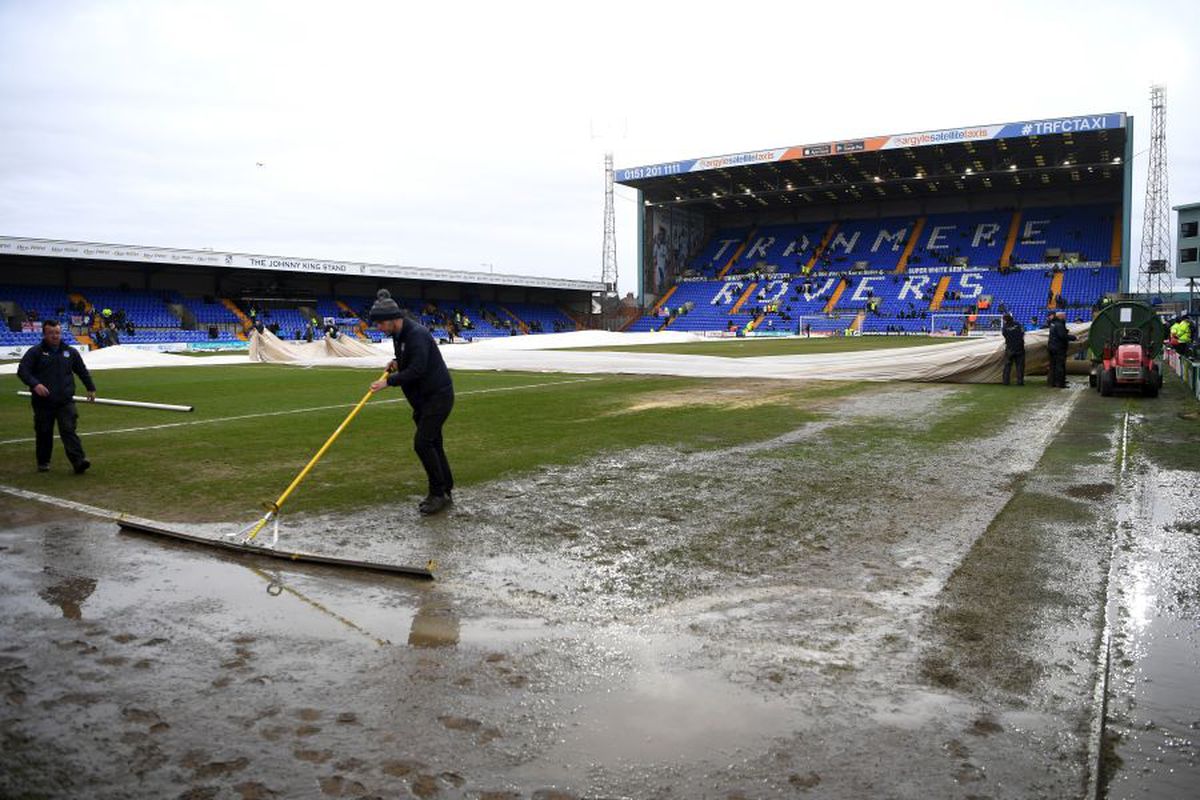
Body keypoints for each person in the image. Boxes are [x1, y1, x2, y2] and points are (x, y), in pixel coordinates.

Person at [367, 290, 455, 516]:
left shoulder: (416, 334)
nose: (379, 328)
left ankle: (438, 493)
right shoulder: (400, 335)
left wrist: (389, 382)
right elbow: (409, 360)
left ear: (393, 319)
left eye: (380, 324)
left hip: (437, 396)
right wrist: (397, 362)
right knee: (433, 443)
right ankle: (445, 487)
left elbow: (418, 369)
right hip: (423, 400)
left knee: (423, 443)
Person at [16, 320, 96, 474]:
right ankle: (43, 462)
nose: (55, 336)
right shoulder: (35, 352)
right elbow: (23, 371)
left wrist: (90, 387)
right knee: (44, 432)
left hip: (65, 400)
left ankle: (79, 461)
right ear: (44, 334)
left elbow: (82, 371)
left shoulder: (70, 352)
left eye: (57, 332)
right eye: (51, 333)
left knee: (69, 430)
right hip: (43, 402)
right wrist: (35, 384)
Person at [1046, 311, 1076, 389]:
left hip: (1052, 347)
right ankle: (1060, 383)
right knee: (1060, 365)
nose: (1065, 317)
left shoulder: (1052, 324)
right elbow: (1062, 336)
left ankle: (1052, 382)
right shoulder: (1059, 324)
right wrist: (1073, 337)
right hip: (1059, 348)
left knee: (1053, 365)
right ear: (1060, 317)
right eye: (1064, 316)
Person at [1000, 312, 1025, 385]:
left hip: (1010, 348)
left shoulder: (1005, 327)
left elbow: (1004, 335)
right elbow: (1023, 332)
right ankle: (1020, 382)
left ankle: (1006, 381)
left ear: (1005, 320)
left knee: (1007, 366)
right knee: (1020, 366)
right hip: (1020, 348)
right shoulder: (1018, 324)